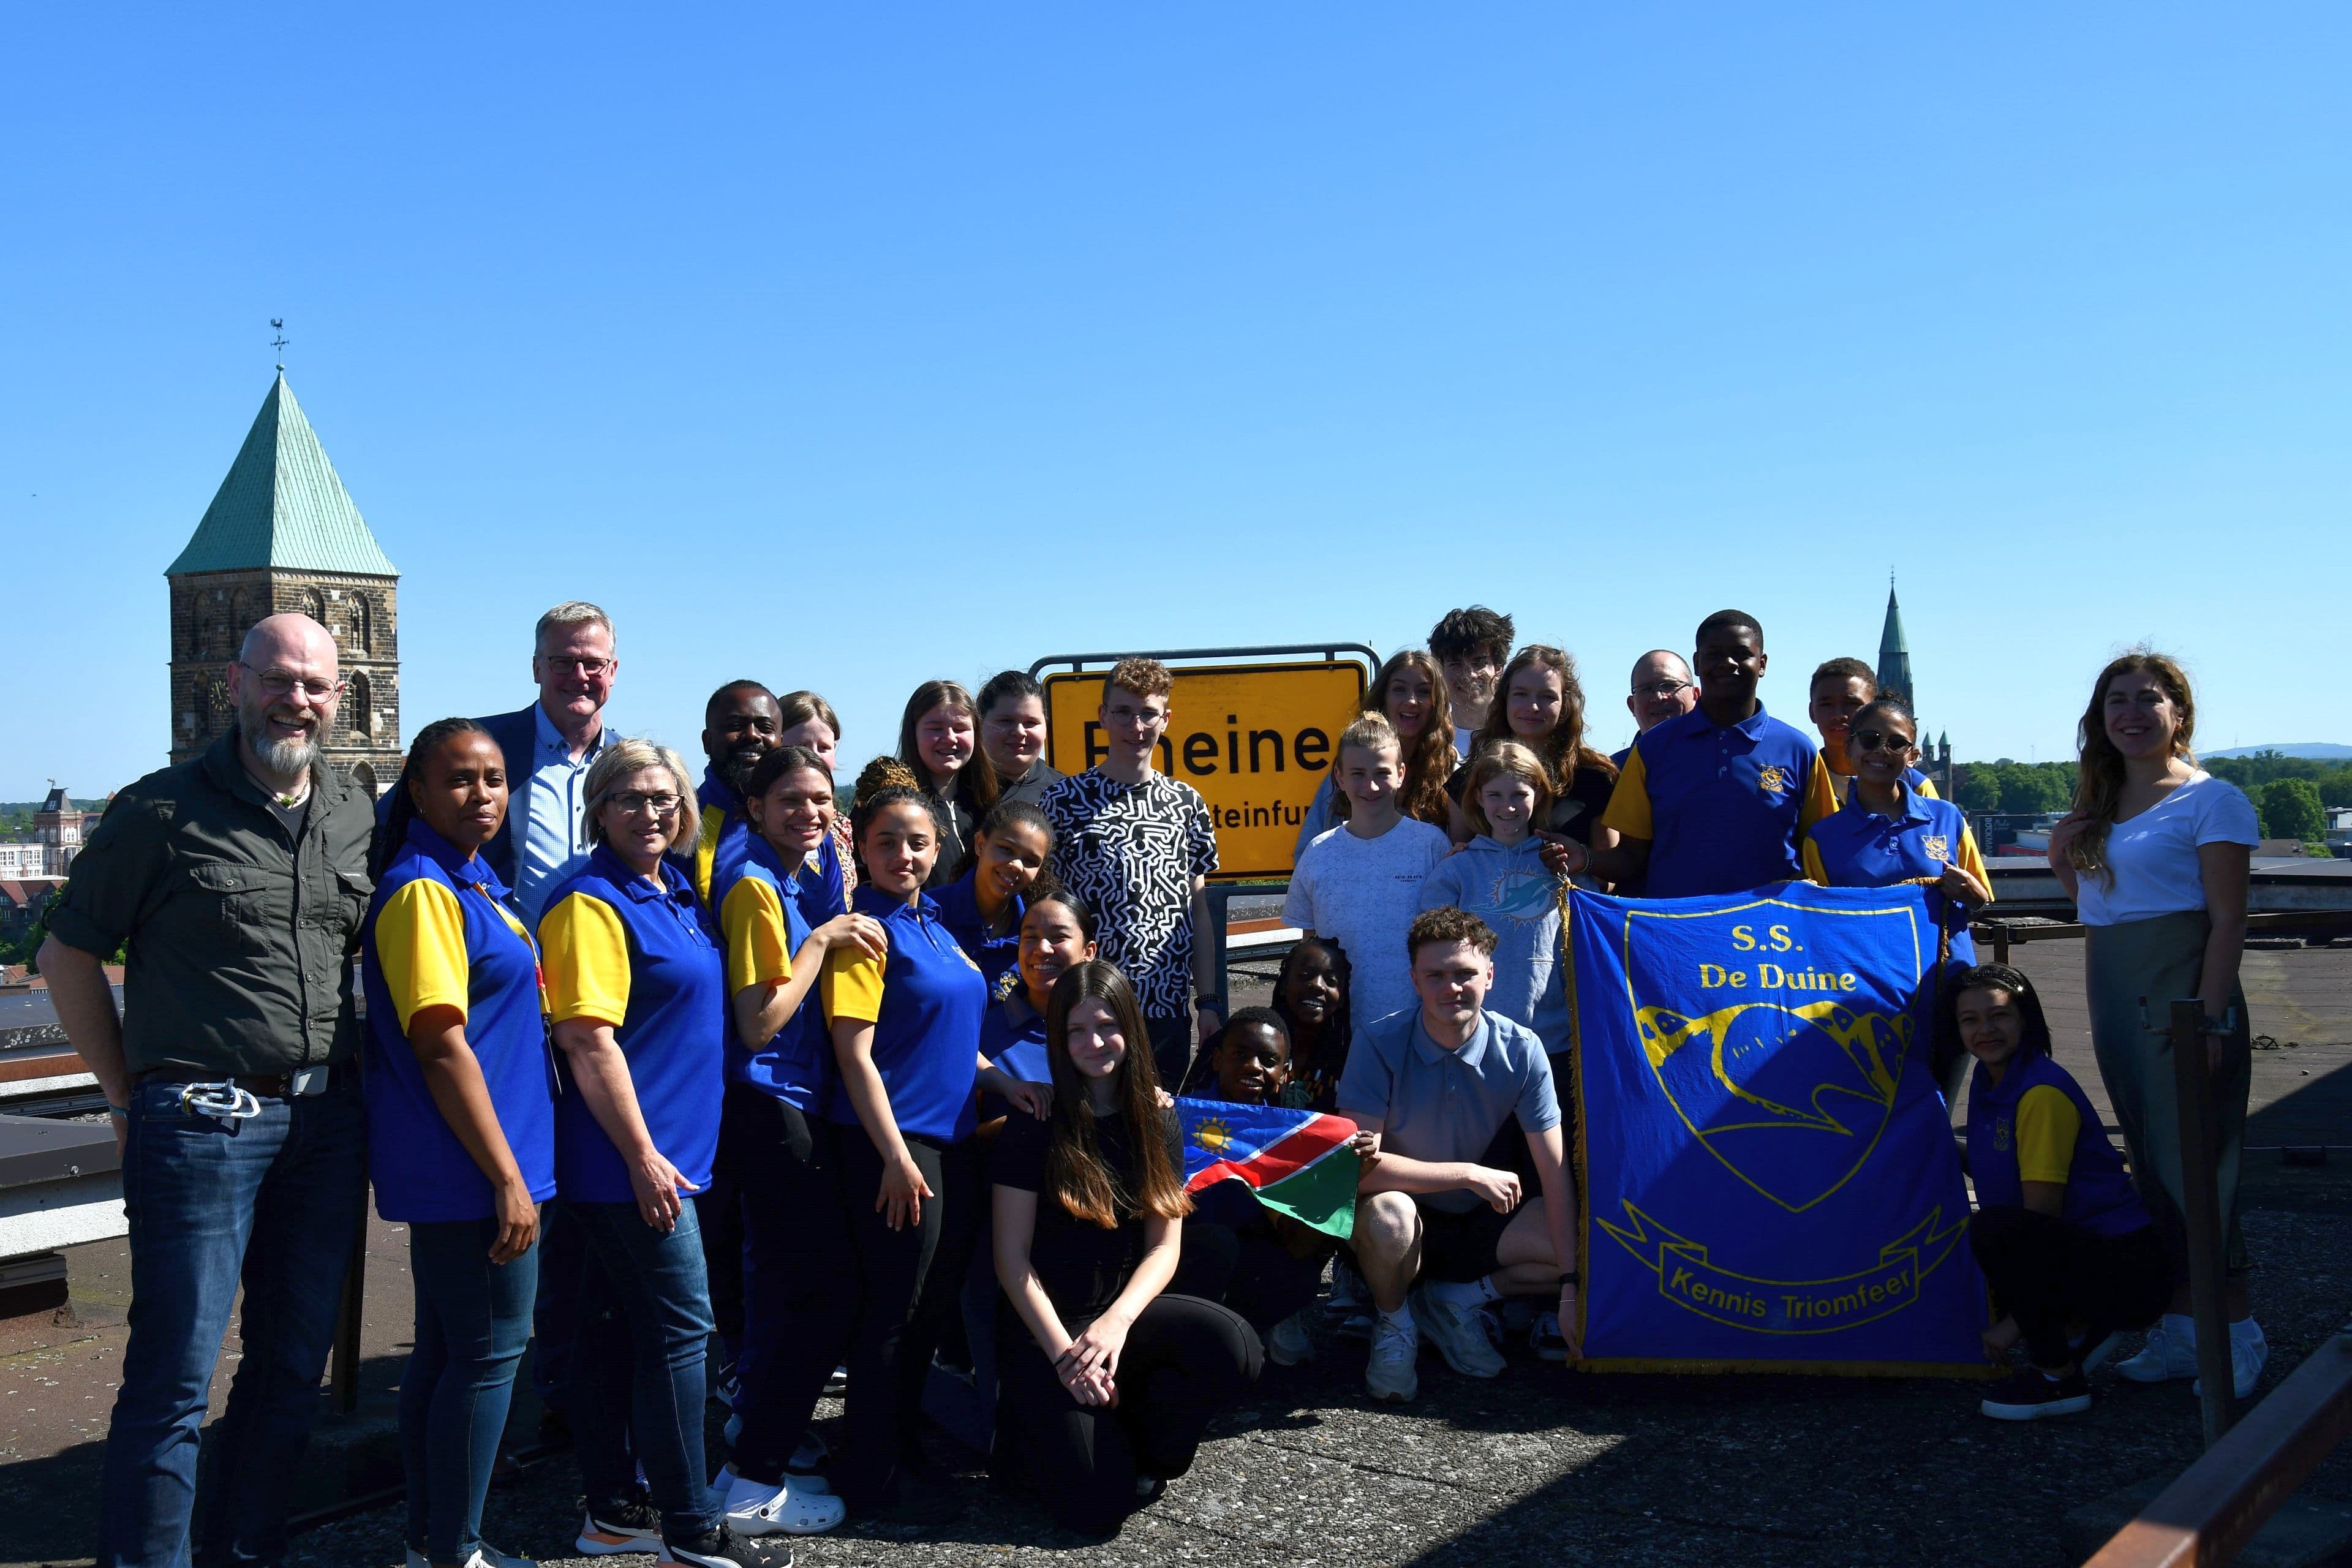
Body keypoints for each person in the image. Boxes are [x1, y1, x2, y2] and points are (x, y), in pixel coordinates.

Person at [42, 614, 374, 1568]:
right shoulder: (160, 812)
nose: (295, 699)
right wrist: (121, 1095)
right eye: (277, 679)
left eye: (314, 685)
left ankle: (244, 1548)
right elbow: (67, 955)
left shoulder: (355, 810)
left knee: (287, 1368)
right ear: (233, 685)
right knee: (174, 1378)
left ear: (338, 697)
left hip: (325, 1120)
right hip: (201, 1122)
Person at [538, 741, 785, 1568]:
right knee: (687, 1334)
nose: (654, 813)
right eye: (632, 798)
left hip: (678, 1158)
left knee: (617, 1336)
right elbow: (585, 1039)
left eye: (665, 799)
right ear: (599, 808)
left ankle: (611, 1512)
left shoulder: (673, 891)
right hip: (630, 1167)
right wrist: (642, 1155)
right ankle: (692, 1530)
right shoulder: (590, 903)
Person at [2046, 651, 2266, 1399]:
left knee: (2199, 1166)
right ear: (2100, 719)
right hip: (2115, 994)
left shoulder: (2213, 800)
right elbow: (2102, 908)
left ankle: (2233, 1332)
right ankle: (2182, 1330)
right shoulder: (2104, 807)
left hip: (2181, 997)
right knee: (2153, 1165)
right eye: (2117, 700)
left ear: (2180, 713)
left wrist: (2207, 1019)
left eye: (2150, 698)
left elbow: (2229, 919)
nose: (2132, 713)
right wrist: (2061, 859)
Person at [363, 718, 556, 1568]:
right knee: (487, 1359)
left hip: (486, 1161)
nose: (482, 795)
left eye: (494, 779)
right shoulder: (422, 892)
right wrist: (508, 1179)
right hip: (471, 1171)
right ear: (416, 789)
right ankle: (455, 1551)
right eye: (458, 780)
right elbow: (442, 1045)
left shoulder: (473, 881)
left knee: (448, 1354)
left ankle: (430, 1543)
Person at [992, 960, 1263, 1537]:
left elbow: (1164, 1247)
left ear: (1131, 1028)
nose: (1093, 1042)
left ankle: (1134, 1435)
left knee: (1235, 1345)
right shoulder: (1035, 1120)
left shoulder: (1156, 1117)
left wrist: (1115, 1326)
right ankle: (1017, 1429)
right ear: (1059, 1039)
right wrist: (1069, 1359)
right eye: (1075, 1030)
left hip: (1121, 1317)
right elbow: (1011, 1261)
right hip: (1049, 1327)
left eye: (1107, 1025)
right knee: (1094, 1514)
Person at [704, 744, 885, 1536]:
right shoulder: (753, 888)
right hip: (771, 1103)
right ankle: (752, 1485)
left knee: (788, 1287)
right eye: (790, 800)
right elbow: (759, 1019)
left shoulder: (794, 877)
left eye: (819, 799)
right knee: (817, 1291)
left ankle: (755, 1438)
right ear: (754, 808)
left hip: (793, 1099)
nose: (808, 812)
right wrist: (821, 944)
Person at [819, 782, 993, 1521]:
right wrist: (894, 1155)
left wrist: (1006, 1084)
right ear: (861, 845)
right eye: (887, 841)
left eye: (918, 842)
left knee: (928, 1310)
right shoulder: (867, 933)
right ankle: (870, 1472)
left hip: (950, 1142)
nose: (905, 855)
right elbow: (853, 1053)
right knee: (892, 1311)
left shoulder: (938, 925)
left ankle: (903, 1441)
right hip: (895, 1145)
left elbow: (952, 1033)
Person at [1338, 908, 1578, 1403]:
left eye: (1465, 974)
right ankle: (1395, 1320)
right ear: (1414, 980)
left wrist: (1573, 1291)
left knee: (1582, 1244)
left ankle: (1457, 1302)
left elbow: (1556, 1175)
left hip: (1482, 1221)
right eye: (1436, 975)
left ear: (1490, 975)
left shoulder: (1524, 1049)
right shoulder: (1377, 1042)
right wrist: (1466, 1173)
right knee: (1389, 1216)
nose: (1452, 988)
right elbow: (1357, 1172)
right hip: (1404, 1220)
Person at [1951, 965, 2168, 1422]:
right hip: (2087, 1252)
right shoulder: (1993, 1082)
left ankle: (2058, 1376)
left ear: (2026, 1019)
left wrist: (2013, 1326)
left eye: (1999, 1016)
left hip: (2127, 1267)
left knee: (1993, 1231)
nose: (1984, 1030)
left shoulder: (2040, 1094)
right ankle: (2072, 1327)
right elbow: (2000, 1166)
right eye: (1969, 1020)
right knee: (1995, 1229)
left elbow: (2040, 1218)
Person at [1039, 658, 1221, 1084]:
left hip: (1166, 1011)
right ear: (1103, 716)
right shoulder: (1063, 802)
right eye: (1123, 712)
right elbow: (1047, 913)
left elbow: (1199, 911)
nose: (1136, 727)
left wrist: (1209, 1000)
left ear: (1166, 719)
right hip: (1091, 1009)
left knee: (1160, 1136)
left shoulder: (1186, 804)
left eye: (1148, 714)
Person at [1575, 609, 1836, 899]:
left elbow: (1826, 854)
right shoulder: (1652, 750)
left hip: (1770, 932)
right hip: (1677, 929)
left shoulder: (1798, 749)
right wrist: (1582, 857)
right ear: (1698, 663)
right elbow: (1630, 859)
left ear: (1762, 664)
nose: (1727, 664)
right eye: (1715, 655)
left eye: (1741, 654)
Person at [1801, 696, 1991, 1093]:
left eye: (1896, 742)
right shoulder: (1823, 838)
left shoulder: (1948, 818)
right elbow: (1819, 929)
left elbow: (1981, 898)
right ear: (1850, 747)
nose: (1881, 752)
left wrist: (1971, 893)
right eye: (1870, 740)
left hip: (1948, 992)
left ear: (1914, 753)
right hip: (1868, 1002)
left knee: (1940, 1108)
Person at [1183, 1009, 1342, 1366]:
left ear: (1284, 1074)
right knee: (1215, 1244)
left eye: (1268, 1060)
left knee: (1318, 1240)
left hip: (1255, 1250)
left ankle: (1260, 1325)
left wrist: (1350, 1161)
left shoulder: (1290, 1130)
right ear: (1218, 1059)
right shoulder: (1180, 1116)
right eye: (1241, 1054)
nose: (1254, 1066)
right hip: (1191, 1256)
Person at [1284, 713, 1451, 1033]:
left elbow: (1450, 941)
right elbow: (1307, 948)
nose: (1371, 786)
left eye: (1382, 773)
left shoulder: (1430, 845)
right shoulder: (1319, 853)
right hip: (1339, 1030)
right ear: (1340, 777)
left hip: (1420, 1026)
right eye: (1358, 774)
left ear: (1401, 774)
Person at [472, 601, 624, 927]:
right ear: (537, 669)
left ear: (613, 671)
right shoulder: (481, 747)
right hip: (511, 966)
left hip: (608, 966)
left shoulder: (631, 766)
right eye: (563, 662)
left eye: (594, 663)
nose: (580, 676)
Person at [1420, 743, 1572, 1066]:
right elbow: (1431, 954)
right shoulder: (1456, 871)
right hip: (1476, 1040)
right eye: (1495, 796)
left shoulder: (1560, 865)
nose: (1508, 807)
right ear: (1477, 798)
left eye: (1519, 794)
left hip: (1554, 1041)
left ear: (1539, 795)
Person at [1450, 646, 1619, 856]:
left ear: (1565, 704)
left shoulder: (1595, 778)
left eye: (1548, 697)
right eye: (1521, 694)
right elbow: (1459, 859)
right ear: (1505, 700)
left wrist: (1582, 860)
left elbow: (1608, 877)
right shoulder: (1468, 780)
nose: (1534, 706)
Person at [1292, 649, 1456, 854]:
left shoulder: (1451, 771)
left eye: (1423, 691)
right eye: (1399, 689)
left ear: (1437, 703)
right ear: (1383, 696)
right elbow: (1307, 854)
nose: (1412, 701)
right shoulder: (1347, 769)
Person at [933, 799, 1055, 995]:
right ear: (980, 844)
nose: (1016, 865)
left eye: (1030, 861)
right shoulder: (927, 913)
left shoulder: (1036, 937)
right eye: (1007, 849)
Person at [682, 679, 783, 907]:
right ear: (707, 741)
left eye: (765, 728)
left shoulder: (810, 822)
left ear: (782, 742)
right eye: (735, 725)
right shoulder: (682, 826)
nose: (753, 735)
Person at [898, 680, 1000, 889]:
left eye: (961, 728)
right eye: (935, 728)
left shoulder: (989, 804)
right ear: (913, 733)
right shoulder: (891, 804)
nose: (950, 738)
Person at [1808, 658, 1940, 805]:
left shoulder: (1915, 786)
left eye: (1853, 703)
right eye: (1826, 705)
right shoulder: (1799, 779)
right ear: (1812, 712)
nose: (1839, 714)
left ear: (1875, 709)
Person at [777, 688, 856, 902]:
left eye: (824, 748)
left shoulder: (841, 827)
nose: (813, 756)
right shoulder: (770, 824)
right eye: (800, 746)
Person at [1271, 935, 1352, 1110]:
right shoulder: (1248, 1041)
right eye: (1305, 975)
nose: (1318, 985)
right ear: (1284, 985)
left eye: (1331, 981)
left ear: (1343, 998)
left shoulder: (1351, 1066)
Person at [1428, 606, 1513, 756]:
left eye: (1479, 662)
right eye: (1456, 664)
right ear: (1441, 671)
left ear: (1498, 668)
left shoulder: (1519, 737)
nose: (1469, 675)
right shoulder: (1427, 740)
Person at [978, 670, 1066, 809]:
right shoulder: (953, 790)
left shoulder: (1065, 794)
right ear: (980, 724)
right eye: (1006, 721)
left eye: (1031, 723)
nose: (1019, 732)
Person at [1616, 649, 1699, 765]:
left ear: (1695, 696)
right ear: (1632, 705)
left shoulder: (1719, 760)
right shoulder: (1610, 775)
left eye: (1670, 685)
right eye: (1646, 689)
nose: (1658, 697)